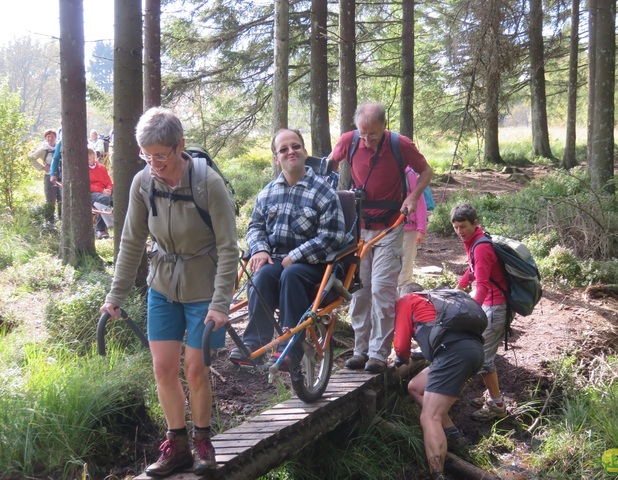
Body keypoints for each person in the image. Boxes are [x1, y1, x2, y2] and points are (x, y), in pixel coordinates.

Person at [100, 107, 238, 477]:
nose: (154, 163)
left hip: (204, 288)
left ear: (180, 146)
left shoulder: (207, 183)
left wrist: (221, 303)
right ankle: (176, 444)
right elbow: (131, 241)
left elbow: (228, 247)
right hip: (162, 285)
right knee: (162, 367)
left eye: (160, 155)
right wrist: (116, 295)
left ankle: (203, 441)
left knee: (195, 368)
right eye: (147, 155)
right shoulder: (143, 183)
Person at [328, 103, 433, 373]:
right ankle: (360, 350)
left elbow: (426, 172)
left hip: (391, 226)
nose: (367, 140)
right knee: (360, 292)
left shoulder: (400, 144)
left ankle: (378, 353)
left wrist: (413, 196)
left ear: (384, 127)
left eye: (372, 135)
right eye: (362, 134)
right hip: (359, 228)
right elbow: (329, 163)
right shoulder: (349, 142)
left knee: (382, 290)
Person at [229, 129, 345, 369]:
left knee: (291, 275)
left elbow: (332, 237)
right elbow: (255, 227)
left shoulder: (324, 192)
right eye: (283, 149)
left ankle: (291, 349)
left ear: (304, 151)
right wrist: (260, 249)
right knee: (261, 277)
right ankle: (253, 345)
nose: (290, 152)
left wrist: (296, 256)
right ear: (276, 158)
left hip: (316, 264)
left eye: (295, 146)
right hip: (276, 260)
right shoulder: (268, 192)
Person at [395, 283, 485, 480]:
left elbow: (401, 347)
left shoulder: (407, 300)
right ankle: (454, 436)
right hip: (475, 352)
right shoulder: (440, 303)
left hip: (452, 355)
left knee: (429, 417)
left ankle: (437, 475)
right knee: (416, 387)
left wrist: (399, 359)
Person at [451, 203, 510, 422]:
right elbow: (474, 268)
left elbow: (483, 286)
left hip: (495, 307)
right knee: (484, 356)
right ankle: (491, 394)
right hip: (491, 304)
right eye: (456, 227)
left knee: (484, 359)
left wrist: (469, 312)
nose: (459, 232)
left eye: (463, 226)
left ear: (475, 223)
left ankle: (497, 406)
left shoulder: (481, 247)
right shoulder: (474, 241)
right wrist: (460, 285)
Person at [397, 165, 428, 294]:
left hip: (409, 230)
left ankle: (403, 303)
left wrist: (421, 229)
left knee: (405, 268)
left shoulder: (409, 174)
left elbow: (420, 201)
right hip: (388, 230)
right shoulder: (384, 170)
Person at [29, 129, 61, 224]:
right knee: (50, 200)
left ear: (55, 137)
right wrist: (42, 167)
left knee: (61, 199)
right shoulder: (43, 149)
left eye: (52, 136)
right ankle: (50, 223)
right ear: (46, 139)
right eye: (48, 137)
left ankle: (63, 221)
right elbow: (31, 158)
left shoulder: (60, 146)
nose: (50, 138)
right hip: (48, 177)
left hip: (61, 176)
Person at [87, 147, 113, 239]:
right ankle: (100, 229)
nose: (88, 160)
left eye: (90, 158)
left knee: (119, 195)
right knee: (104, 199)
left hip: (105, 191)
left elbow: (108, 182)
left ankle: (120, 225)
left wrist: (109, 189)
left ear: (95, 157)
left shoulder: (102, 168)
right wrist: (102, 191)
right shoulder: (83, 169)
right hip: (92, 193)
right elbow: (87, 185)